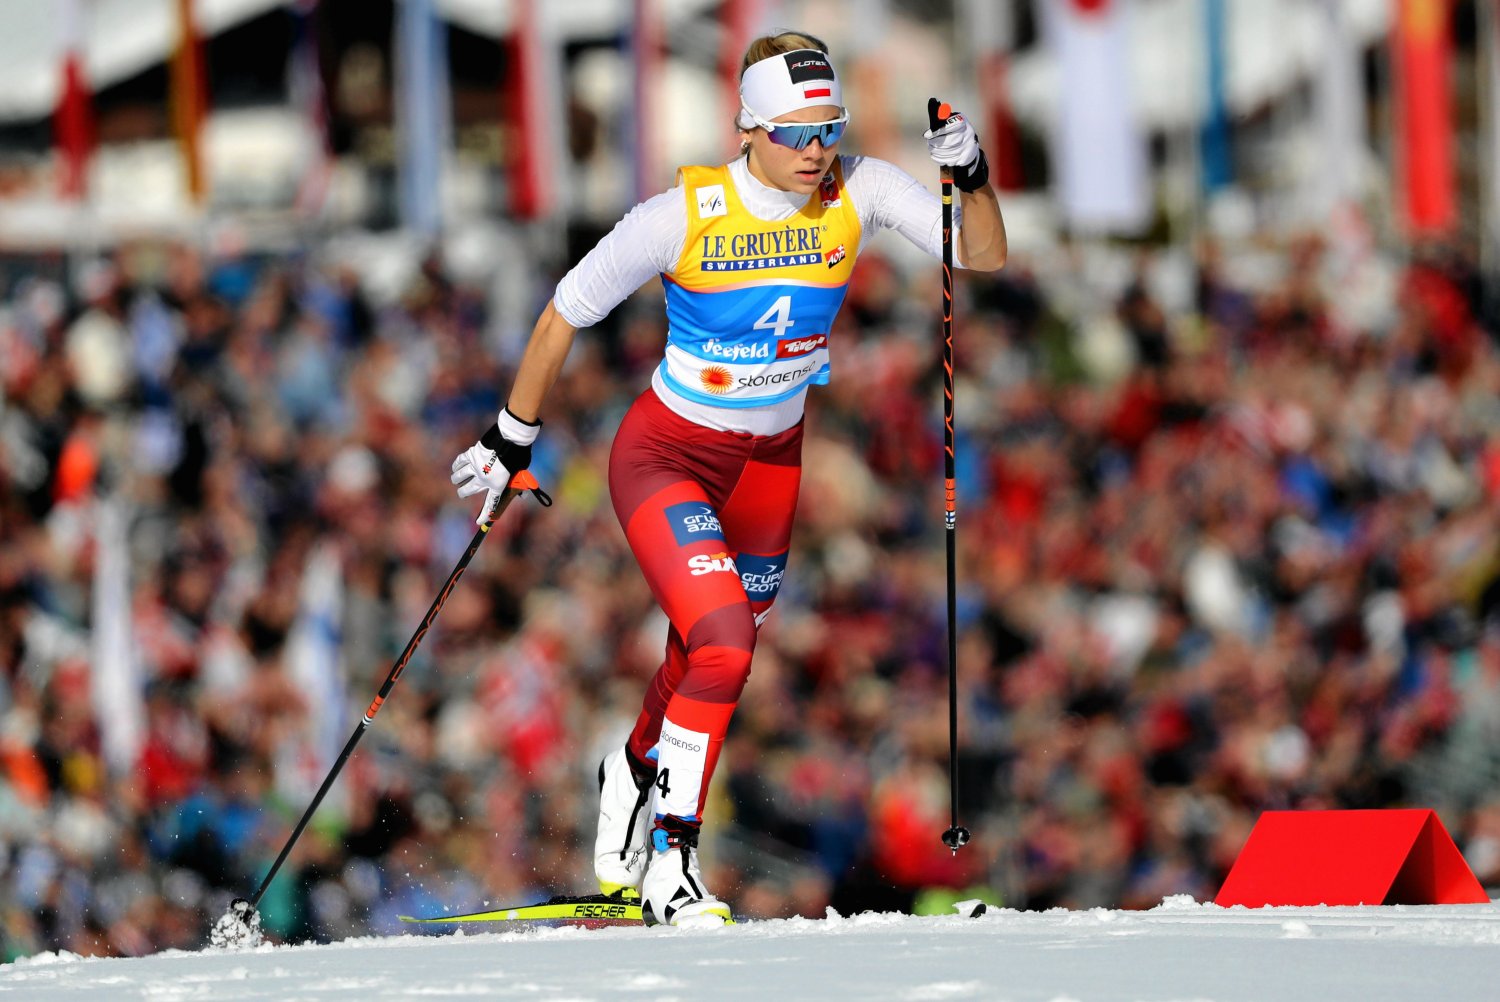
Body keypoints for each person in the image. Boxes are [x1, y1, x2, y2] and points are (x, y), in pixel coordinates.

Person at [450, 30, 1006, 926]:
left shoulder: (857, 186)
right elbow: (563, 313)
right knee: (726, 645)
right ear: (747, 129)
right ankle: (673, 860)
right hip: (667, 453)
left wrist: (971, 171)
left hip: (769, 469)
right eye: (795, 134)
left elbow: (977, 254)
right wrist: (511, 436)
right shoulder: (685, 213)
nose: (816, 152)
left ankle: (632, 768)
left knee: (702, 649)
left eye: (828, 129)